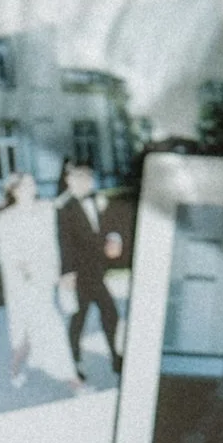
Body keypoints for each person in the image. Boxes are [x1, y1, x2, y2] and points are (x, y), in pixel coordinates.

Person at [0, 172, 81, 396]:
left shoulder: (45, 209)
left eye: (33, 184)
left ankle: (16, 369)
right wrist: (23, 268)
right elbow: (6, 255)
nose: (32, 188)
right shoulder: (7, 218)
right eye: (26, 185)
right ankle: (72, 380)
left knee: (30, 333)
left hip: (45, 278)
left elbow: (64, 207)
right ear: (15, 191)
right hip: (24, 284)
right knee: (49, 326)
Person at [55, 159, 126, 380]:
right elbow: (63, 242)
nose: (85, 183)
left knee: (110, 314)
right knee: (79, 319)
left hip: (97, 270)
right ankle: (72, 363)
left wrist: (113, 238)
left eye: (88, 178)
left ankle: (115, 358)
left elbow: (111, 224)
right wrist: (67, 273)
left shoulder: (98, 199)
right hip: (79, 274)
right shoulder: (63, 207)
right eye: (79, 178)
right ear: (69, 181)